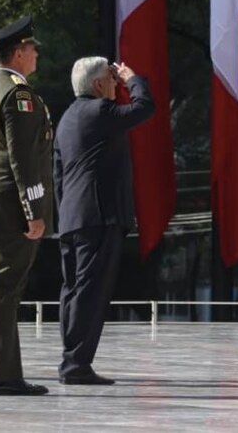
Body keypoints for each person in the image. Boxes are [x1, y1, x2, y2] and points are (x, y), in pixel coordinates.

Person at [54, 58, 155, 385]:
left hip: (73, 217)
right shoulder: (99, 112)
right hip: (98, 216)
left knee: (73, 290)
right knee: (90, 292)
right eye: (112, 78)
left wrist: (66, 212)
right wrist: (133, 78)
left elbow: (58, 175)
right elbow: (144, 108)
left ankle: (72, 358)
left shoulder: (68, 117)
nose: (116, 83)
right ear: (98, 85)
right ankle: (76, 365)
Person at [0, 15, 56, 396]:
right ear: (18, 53)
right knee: (5, 290)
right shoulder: (19, 95)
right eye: (32, 48)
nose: (36, 53)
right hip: (11, 206)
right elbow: (23, 158)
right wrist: (33, 211)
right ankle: (4, 375)